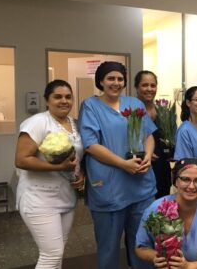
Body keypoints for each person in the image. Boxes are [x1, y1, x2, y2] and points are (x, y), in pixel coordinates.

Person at [78, 62, 156, 269]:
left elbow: (148, 135)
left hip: (141, 184)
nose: (116, 83)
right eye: (110, 78)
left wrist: (148, 155)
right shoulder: (90, 106)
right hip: (110, 186)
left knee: (143, 243)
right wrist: (123, 164)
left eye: (120, 79)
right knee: (109, 247)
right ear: (101, 81)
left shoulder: (134, 104)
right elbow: (91, 145)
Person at [15, 79, 85, 269]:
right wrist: (59, 168)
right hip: (39, 198)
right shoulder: (38, 122)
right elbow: (21, 159)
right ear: (47, 100)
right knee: (51, 254)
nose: (64, 101)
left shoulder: (76, 123)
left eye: (68, 97)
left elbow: (80, 158)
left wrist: (81, 175)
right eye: (58, 97)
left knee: (57, 252)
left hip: (66, 197)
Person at [135, 158, 197, 268]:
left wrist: (189, 266)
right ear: (175, 181)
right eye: (185, 179)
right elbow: (140, 248)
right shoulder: (156, 209)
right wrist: (155, 256)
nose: (191, 186)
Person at [135, 70, 172, 198]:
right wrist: (144, 152)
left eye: (153, 85)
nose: (149, 89)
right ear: (137, 87)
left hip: (162, 166)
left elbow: (170, 137)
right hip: (141, 165)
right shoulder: (131, 112)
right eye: (144, 85)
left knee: (162, 203)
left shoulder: (163, 111)